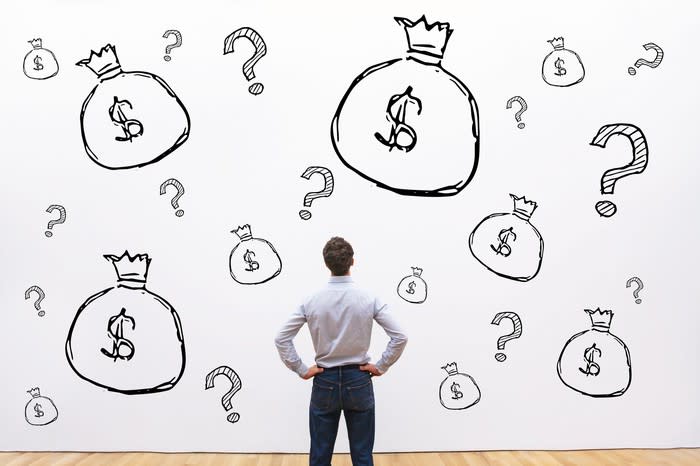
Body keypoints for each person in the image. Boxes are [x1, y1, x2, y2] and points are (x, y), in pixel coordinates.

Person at [274, 237, 408, 466]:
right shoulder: (369, 298)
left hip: (324, 380)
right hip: (359, 379)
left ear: (326, 264)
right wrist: (381, 365)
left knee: (319, 455)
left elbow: (281, 338)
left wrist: (301, 369)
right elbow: (400, 336)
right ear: (352, 261)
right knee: (363, 455)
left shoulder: (311, 300)